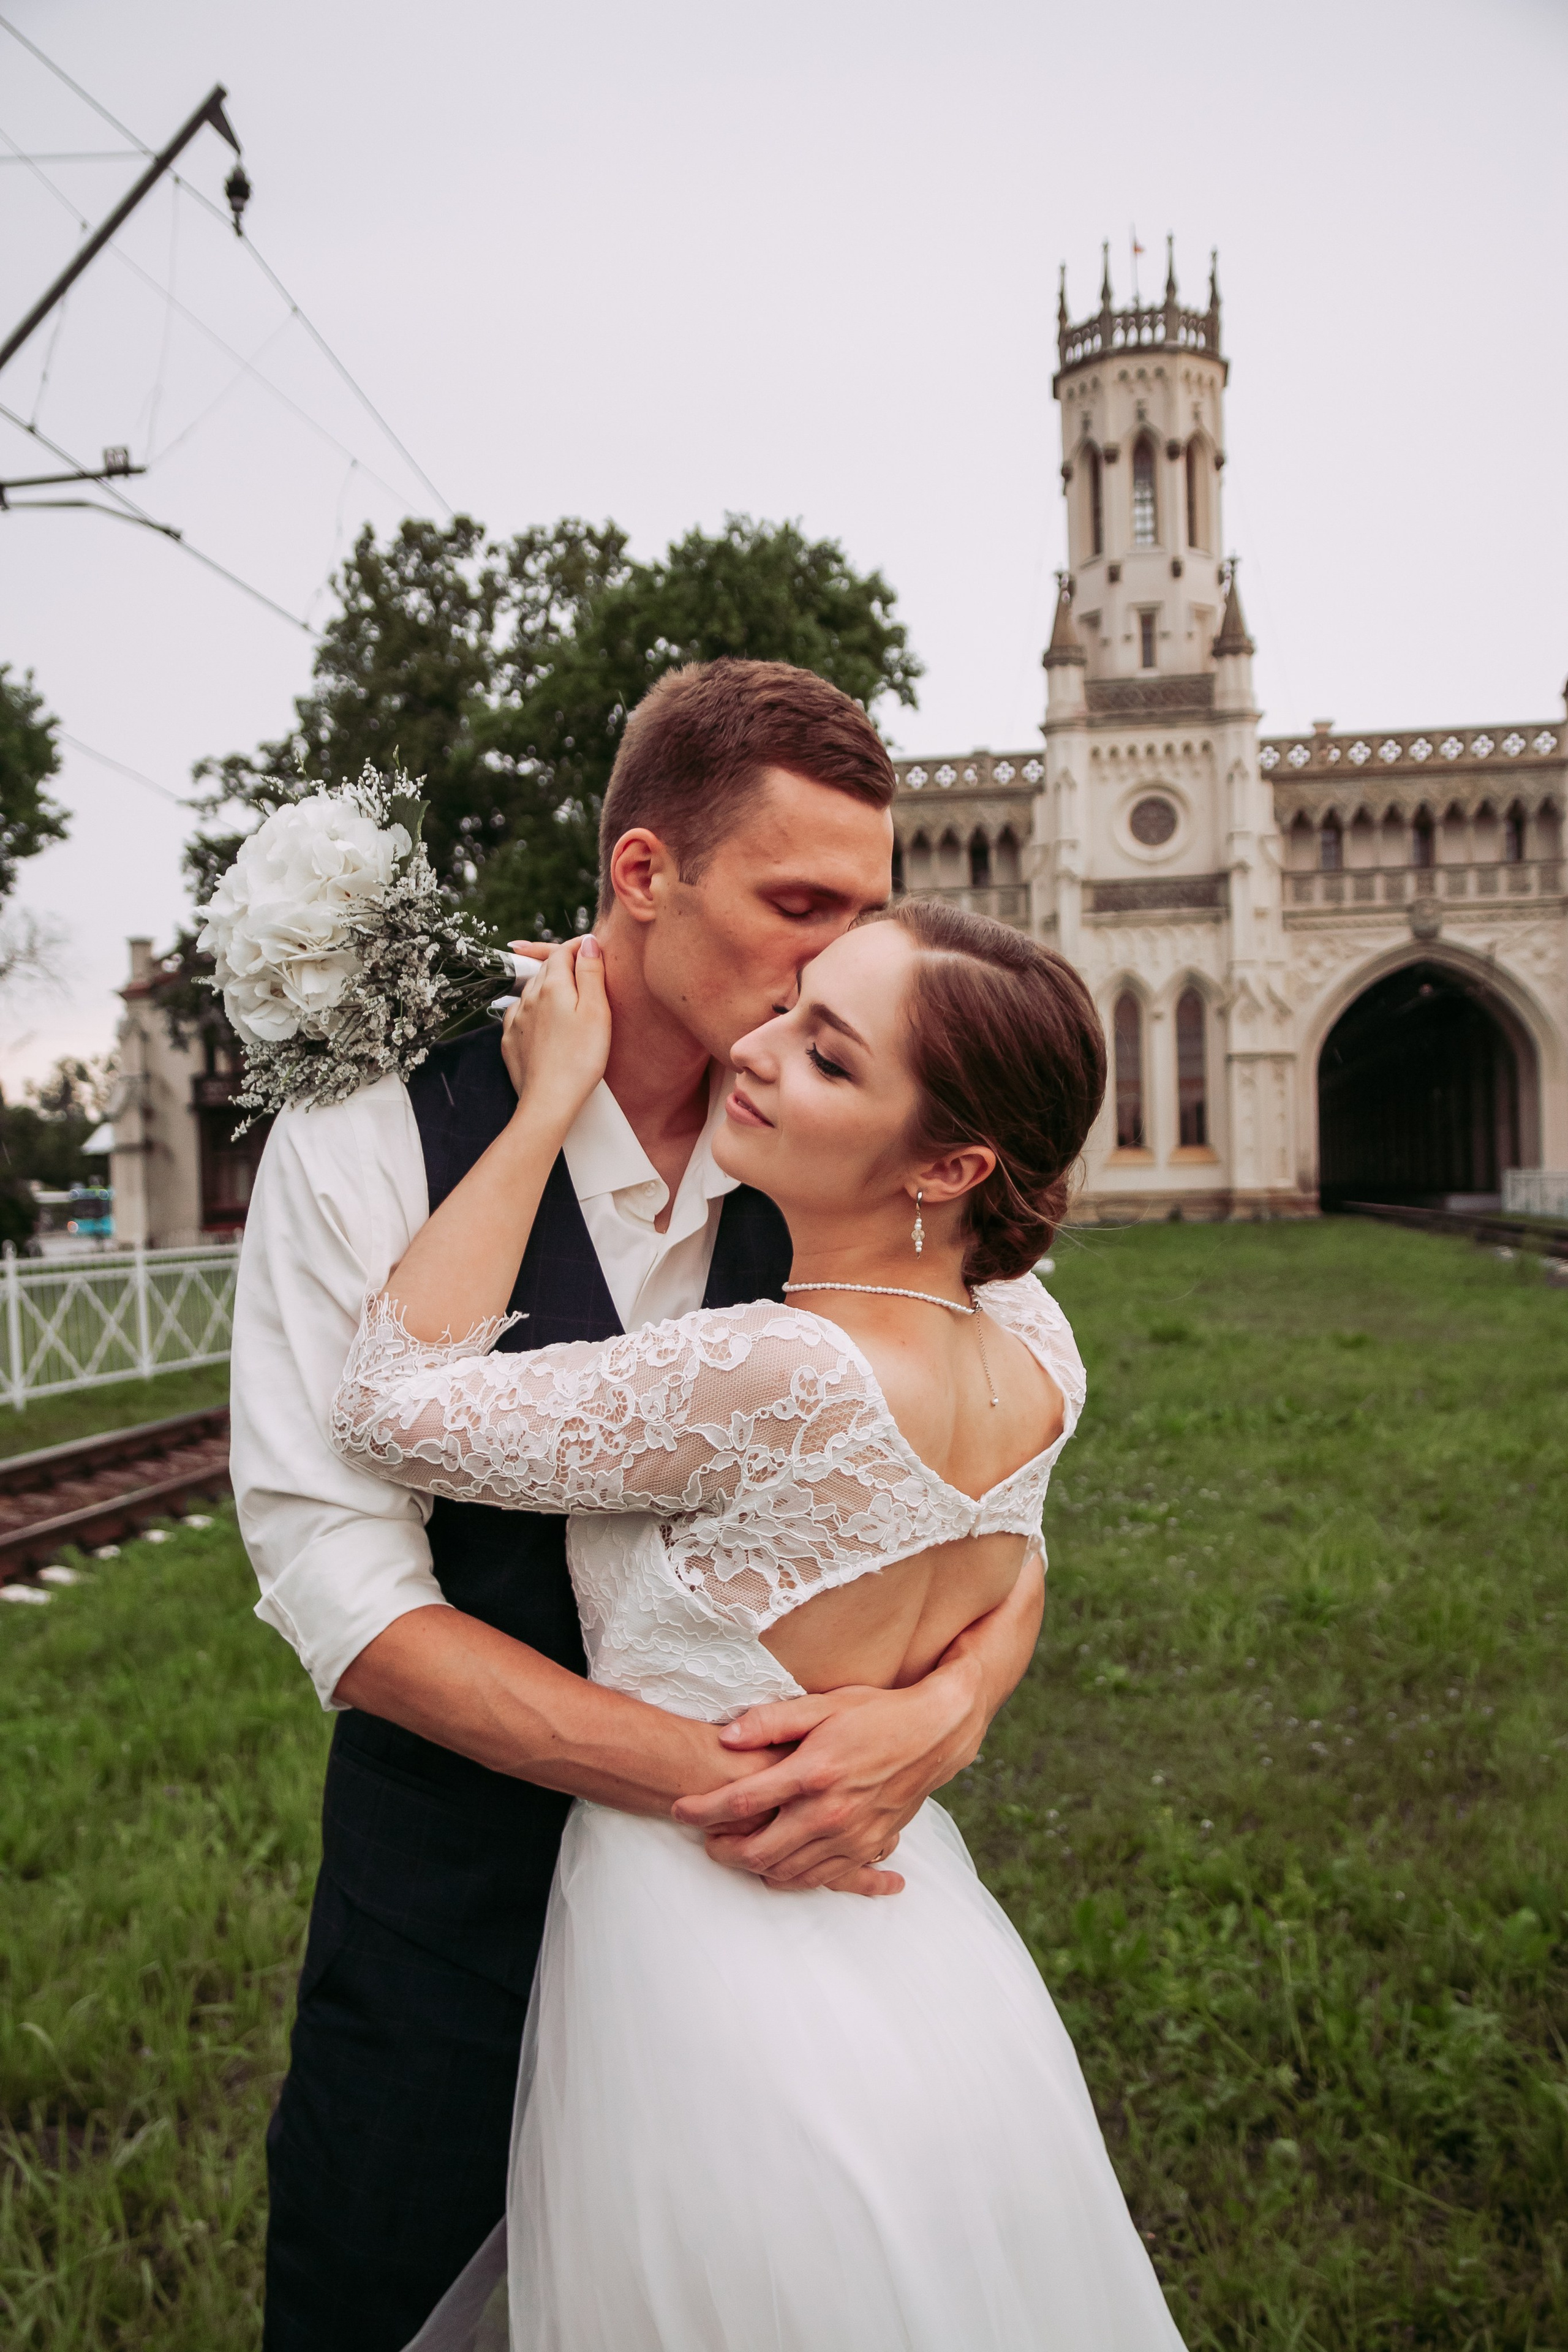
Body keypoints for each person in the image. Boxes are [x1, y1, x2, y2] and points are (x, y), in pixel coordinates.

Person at [234, 660, 1056, 2351]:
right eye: (799, 905)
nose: (834, 962)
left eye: (862, 918)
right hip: (453, 1913)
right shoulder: (373, 1122)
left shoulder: (859, 1143)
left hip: (782, 1975)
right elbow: (345, 1586)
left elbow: (1003, 1498)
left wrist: (947, 1718)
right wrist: (737, 1782)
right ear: (641, 878)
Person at [328, 899, 1188, 2350]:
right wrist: (948, 1702)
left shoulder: (763, 1373)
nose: (761, 1048)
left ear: (950, 1162)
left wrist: (544, 1102)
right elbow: (1014, 1554)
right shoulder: (1040, 1347)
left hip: (697, 1960)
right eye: (793, 1005)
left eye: (831, 1059)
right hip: (918, 1942)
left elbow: (389, 1405)